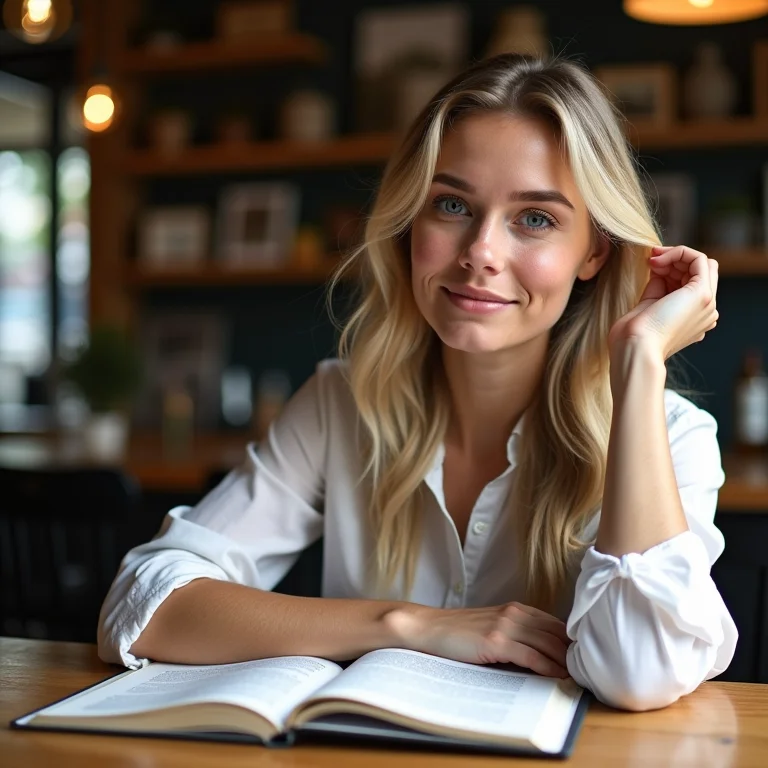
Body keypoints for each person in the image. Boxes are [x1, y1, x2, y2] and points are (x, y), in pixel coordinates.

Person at [98, 53, 737, 712]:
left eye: (535, 218)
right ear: (409, 223)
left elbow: (641, 671)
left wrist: (639, 359)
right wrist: (408, 626)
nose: (481, 252)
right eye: (452, 205)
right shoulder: (341, 404)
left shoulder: (672, 436)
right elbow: (145, 604)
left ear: (594, 252)